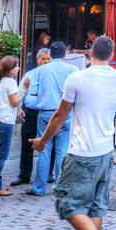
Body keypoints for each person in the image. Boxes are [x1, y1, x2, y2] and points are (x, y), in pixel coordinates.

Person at [32, 35, 116, 230]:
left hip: (83, 152)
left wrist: (42, 142)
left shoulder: (77, 78)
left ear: (90, 52)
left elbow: (60, 115)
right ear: (111, 53)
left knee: (66, 203)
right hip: (106, 151)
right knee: (94, 207)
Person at [28, 42, 78, 197]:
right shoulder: (73, 70)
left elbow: (32, 95)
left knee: (43, 149)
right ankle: (60, 186)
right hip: (65, 113)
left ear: (51, 54)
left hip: (45, 112)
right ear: (65, 54)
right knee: (62, 150)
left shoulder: (40, 71)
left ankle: (39, 188)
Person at [13, 49, 51, 186]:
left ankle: (48, 173)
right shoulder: (30, 74)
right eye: (43, 59)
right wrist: (19, 108)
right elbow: (19, 91)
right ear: (37, 60)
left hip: (47, 111)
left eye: (48, 59)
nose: (46, 61)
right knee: (27, 142)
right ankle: (24, 174)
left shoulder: (53, 74)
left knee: (49, 142)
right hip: (31, 112)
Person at [0, 56, 23, 197]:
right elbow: (14, 102)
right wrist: (24, 90)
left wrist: (19, 109)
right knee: (0, 156)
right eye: (16, 66)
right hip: (4, 122)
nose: (18, 69)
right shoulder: (10, 82)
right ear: (10, 69)